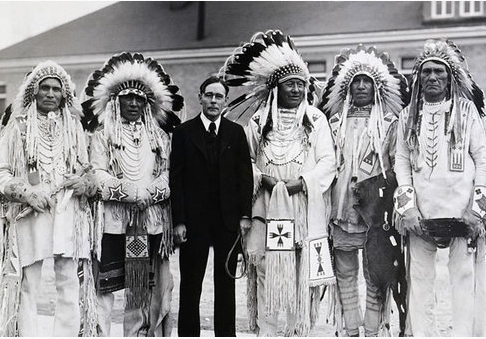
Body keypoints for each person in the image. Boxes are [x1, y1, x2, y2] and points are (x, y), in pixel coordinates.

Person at [221, 30, 336, 336]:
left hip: (302, 206)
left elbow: (328, 162)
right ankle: (268, 332)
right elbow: (244, 163)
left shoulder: (315, 119)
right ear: (276, 89)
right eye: (290, 84)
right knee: (265, 270)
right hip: (266, 205)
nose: (297, 89)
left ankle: (298, 331)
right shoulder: (259, 121)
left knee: (300, 272)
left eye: (301, 83)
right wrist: (263, 178)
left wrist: (303, 182)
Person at [82, 52, 184, 336]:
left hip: (149, 222)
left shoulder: (160, 138)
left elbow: (169, 174)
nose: (135, 103)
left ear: (147, 104)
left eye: (141, 99)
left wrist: (149, 193)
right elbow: (97, 174)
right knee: (104, 286)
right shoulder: (103, 136)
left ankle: (137, 334)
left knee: (142, 288)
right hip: (114, 223)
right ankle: (99, 332)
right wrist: (129, 192)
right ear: (116, 100)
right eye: (129, 97)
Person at [394, 39, 486, 336]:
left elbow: (483, 159)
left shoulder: (467, 110)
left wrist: (477, 210)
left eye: (440, 72)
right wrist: (407, 209)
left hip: (463, 211)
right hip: (421, 214)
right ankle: (422, 335)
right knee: (419, 279)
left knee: (463, 275)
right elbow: (402, 162)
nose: (433, 77)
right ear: (418, 77)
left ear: (450, 77)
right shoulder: (408, 115)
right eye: (426, 72)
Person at [0, 60, 97, 336]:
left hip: (68, 213)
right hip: (31, 213)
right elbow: (2, 171)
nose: (51, 94)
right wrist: (27, 193)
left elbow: (87, 168)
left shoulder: (74, 127)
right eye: (45, 88)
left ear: (64, 94)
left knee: (68, 282)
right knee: (29, 283)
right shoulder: (16, 127)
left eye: (57, 89)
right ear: (34, 91)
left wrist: (84, 182)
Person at [319, 45, 409, 336]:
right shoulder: (334, 124)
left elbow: (398, 166)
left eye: (366, 82)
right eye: (355, 81)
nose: (360, 86)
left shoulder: (389, 124)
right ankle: (351, 329)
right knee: (345, 273)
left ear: (377, 87)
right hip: (341, 207)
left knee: (375, 275)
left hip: (376, 212)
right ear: (347, 87)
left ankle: (372, 331)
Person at [169, 75, 253, 337]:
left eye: (219, 96)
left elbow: (245, 178)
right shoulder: (183, 133)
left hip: (227, 221)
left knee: (225, 284)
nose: (214, 101)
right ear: (200, 98)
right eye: (209, 95)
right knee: (191, 284)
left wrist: (244, 216)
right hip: (194, 222)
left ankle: (225, 335)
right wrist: (179, 221)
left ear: (225, 101)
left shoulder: (236, 132)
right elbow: (177, 179)